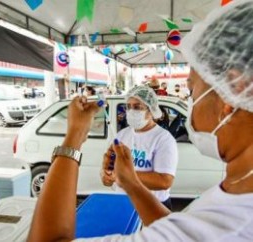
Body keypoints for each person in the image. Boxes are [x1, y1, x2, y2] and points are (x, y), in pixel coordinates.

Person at [27, 1, 253, 241]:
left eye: (192, 91)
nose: (191, 102)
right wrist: (130, 182)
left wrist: (74, 135)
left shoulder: (234, 227)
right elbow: (177, 227)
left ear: (233, 89)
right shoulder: (237, 195)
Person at [101, 86, 178, 209]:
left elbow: (164, 181)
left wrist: (124, 176)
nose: (131, 111)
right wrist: (107, 176)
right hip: (124, 203)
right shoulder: (122, 135)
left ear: (151, 110)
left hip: (153, 206)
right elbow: (110, 166)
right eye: (128, 107)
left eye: (137, 107)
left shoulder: (163, 139)